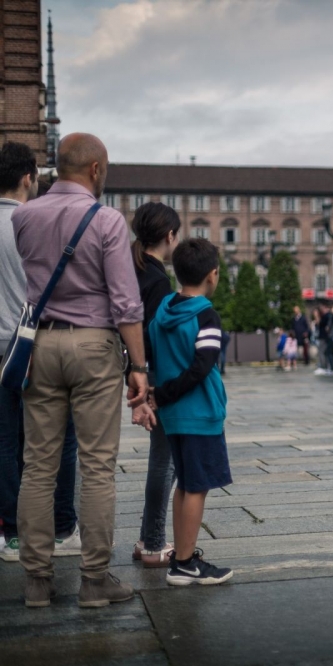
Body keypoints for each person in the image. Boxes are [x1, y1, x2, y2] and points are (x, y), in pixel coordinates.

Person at [13, 133, 153, 608]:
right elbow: (126, 303)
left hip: (40, 344)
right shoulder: (108, 219)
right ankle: (94, 582)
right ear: (95, 169)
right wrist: (138, 367)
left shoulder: (24, 216)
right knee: (96, 466)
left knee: (38, 466)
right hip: (94, 346)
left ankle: (36, 581)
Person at [0, 142, 81, 564]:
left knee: (4, 442)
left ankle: (13, 536)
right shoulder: (37, 222)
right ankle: (64, 527)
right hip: (35, 345)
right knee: (61, 439)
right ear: (29, 177)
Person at [148, 237, 233, 586]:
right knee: (197, 487)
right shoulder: (206, 316)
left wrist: (161, 395)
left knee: (184, 484)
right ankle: (184, 563)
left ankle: (181, 559)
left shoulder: (163, 310)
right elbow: (201, 367)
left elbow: (155, 355)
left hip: (173, 418)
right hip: (200, 414)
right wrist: (165, 394)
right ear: (213, 275)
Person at [130, 202, 181, 568]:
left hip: (131, 368)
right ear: (169, 236)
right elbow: (155, 334)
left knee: (160, 458)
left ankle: (148, 537)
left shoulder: (132, 267)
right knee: (164, 461)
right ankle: (153, 543)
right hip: (152, 374)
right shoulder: (159, 279)